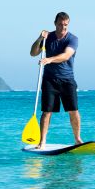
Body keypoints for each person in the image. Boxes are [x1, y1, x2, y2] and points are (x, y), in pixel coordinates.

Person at [30, 12, 82, 148]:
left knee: (73, 110)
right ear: (55, 23)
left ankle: (77, 139)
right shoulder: (49, 38)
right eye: (60, 24)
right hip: (49, 80)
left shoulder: (73, 39)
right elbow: (33, 53)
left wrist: (49, 59)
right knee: (47, 112)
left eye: (66, 24)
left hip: (67, 79)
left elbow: (66, 55)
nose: (63, 27)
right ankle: (42, 142)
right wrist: (39, 39)